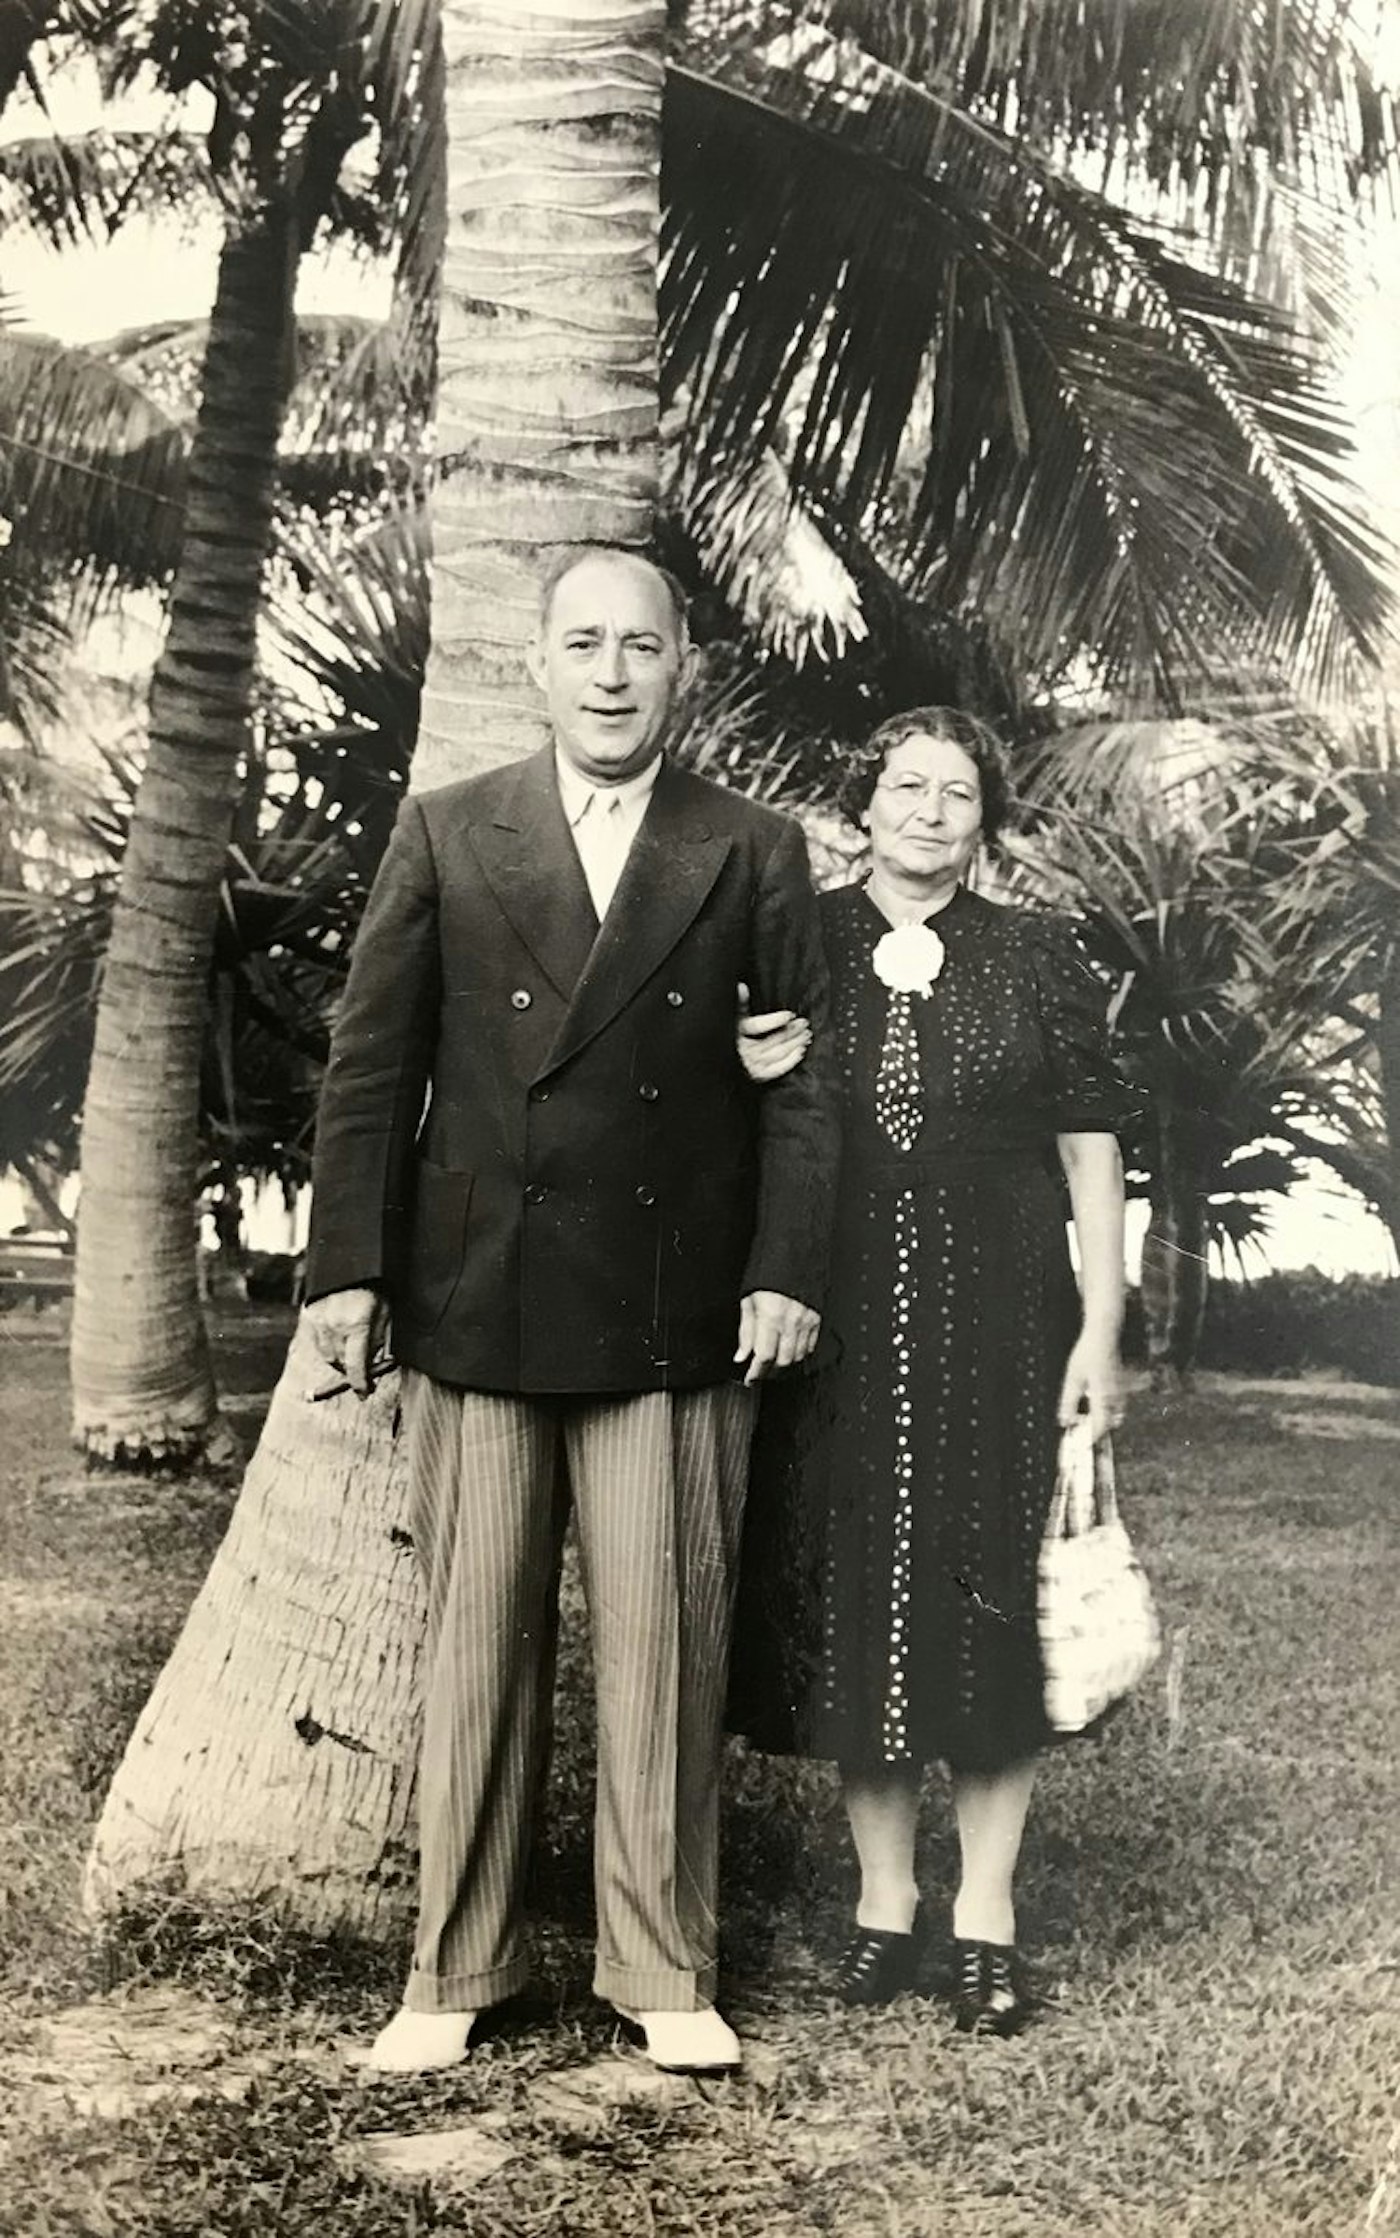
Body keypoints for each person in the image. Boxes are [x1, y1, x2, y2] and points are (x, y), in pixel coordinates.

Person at [303, 547, 840, 2076]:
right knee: (476, 1642)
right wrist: (348, 1268)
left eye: (643, 647)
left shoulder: (750, 846)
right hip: (479, 1293)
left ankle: (663, 1967)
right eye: (584, 644)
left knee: (666, 1641)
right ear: (536, 664)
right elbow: (368, 1067)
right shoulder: (449, 827)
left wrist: (786, 1267)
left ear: (687, 669)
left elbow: (807, 1090)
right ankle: (452, 1968)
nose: (612, 673)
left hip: (676, 1308)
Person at [728, 706, 1135, 2036]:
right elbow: (749, 1109)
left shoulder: (1038, 953)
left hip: (1009, 1318)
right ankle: (885, 1902)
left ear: (984, 817)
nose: (931, 811)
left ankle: (989, 1913)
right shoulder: (807, 939)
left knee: (989, 1601)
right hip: (841, 1325)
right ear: (864, 802)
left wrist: (1100, 1329)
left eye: (958, 792)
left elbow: (1089, 1154)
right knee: (861, 1597)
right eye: (908, 786)